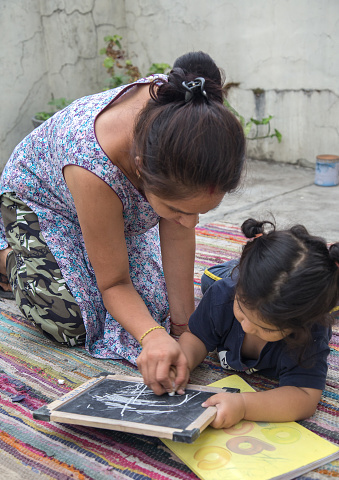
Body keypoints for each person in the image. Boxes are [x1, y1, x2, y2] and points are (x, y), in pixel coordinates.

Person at [0, 51, 245, 395]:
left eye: (201, 211)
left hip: (104, 201)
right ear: (141, 169)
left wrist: (182, 328)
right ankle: (9, 254)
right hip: (40, 199)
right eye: (176, 208)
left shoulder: (185, 120)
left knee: (155, 307)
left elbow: (177, 234)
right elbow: (114, 283)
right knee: (68, 317)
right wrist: (152, 337)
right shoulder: (94, 164)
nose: (190, 223)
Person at [177, 218, 339, 428]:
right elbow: (196, 336)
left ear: (300, 325)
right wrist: (183, 362)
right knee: (209, 279)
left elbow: (305, 397)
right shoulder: (224, 294)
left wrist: (244, 405)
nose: (246, 327)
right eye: (242, 312)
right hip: (230, 275)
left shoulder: (311, 330)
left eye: (266, 328)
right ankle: (234, 266)